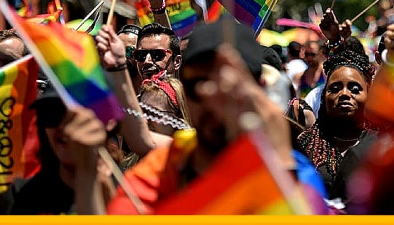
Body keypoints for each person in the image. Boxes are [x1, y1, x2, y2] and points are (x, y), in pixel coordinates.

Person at [106, 21, 309, 214]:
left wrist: (279, 162)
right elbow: (143, 139)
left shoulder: (296, 173)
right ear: (183, 90)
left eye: (230, 85)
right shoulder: (166, 167)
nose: (211, 98)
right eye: (199, 83)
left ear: (259, 89)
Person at [0, 86, 114, 215]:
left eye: (76, 117)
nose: (65, 127)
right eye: (53, 113)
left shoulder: (128, 188)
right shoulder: (20, 196)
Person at [296, 49, 377, 207]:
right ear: (324, 96)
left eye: (355, 89)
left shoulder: (381, 145)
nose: (344, 94)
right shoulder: (305, 144)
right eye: (334, 89)